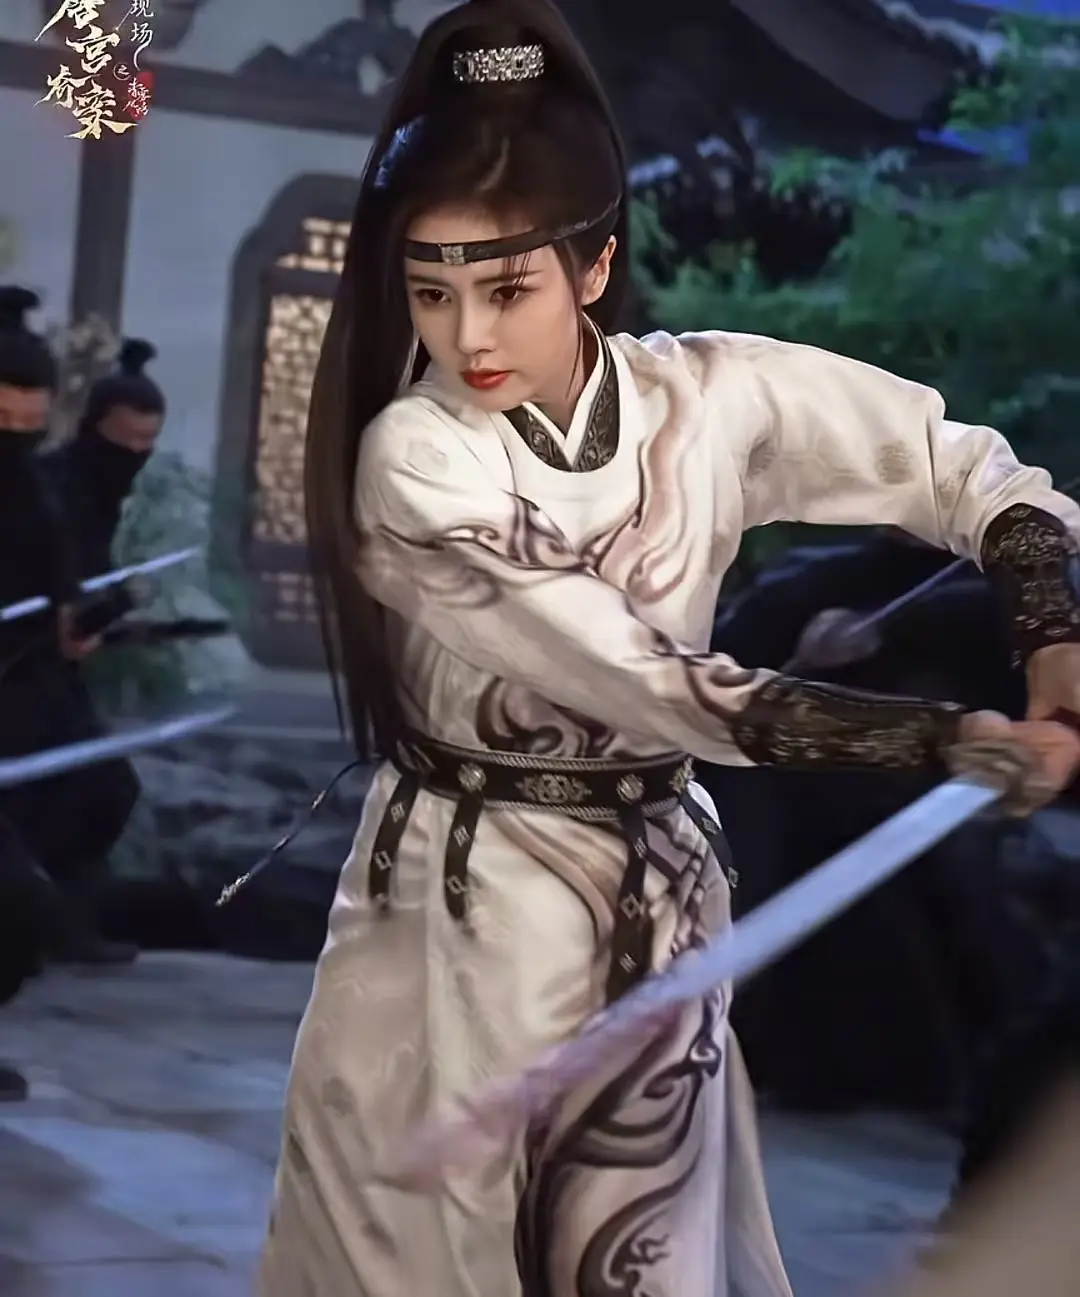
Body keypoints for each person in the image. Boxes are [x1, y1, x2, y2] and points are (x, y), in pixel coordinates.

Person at [257, 2, 1080, 1293]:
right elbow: (641, 677)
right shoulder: (414, 457)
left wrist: (1048, 625)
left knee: (642, 1252)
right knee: (438, 1253)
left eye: (507, 288)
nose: (468, 338)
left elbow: (959, 466)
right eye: (432, 292)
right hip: (470, 900)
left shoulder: (707, 397)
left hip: (659, 885)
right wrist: (939, 739)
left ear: (592, 266)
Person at [0, 288, 139, 971]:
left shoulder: (34, 491)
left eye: (29, 422)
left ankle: (65, 921)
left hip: (27, 679)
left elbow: (60, 602)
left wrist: (79, 626)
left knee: (102, 787)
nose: (16, 435)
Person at [44, 336, 164, 579]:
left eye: (146, 438)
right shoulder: (44, 484)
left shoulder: (156, 493)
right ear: (93, 427)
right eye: (123, 435)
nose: (134, 448)